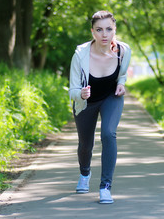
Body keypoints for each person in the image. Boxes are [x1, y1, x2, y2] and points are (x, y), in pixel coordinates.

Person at [69, 11, 131, 204]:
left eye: (109, 29)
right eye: (99, 30)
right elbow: (72, 89)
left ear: (115, 30)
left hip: (111, 97)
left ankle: (105, 187)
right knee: (85, 145)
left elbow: (122, 75)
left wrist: (121, 83)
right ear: (92, 32)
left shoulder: (123, 50)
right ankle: (85, 173)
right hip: (86, 102)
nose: (104, 34)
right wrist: (81, 94)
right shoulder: (80, 55)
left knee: (108, 134)